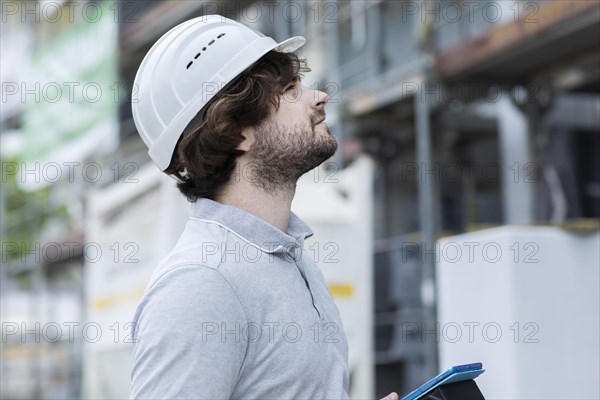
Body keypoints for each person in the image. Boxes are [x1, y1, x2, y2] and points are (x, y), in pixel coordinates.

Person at [129, 15, 399, 400]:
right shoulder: (201, 284)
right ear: (235, 131)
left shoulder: (291, 255)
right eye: (290, 89)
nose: (317, 96)